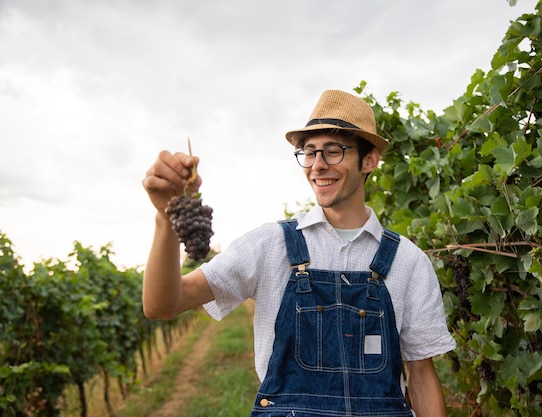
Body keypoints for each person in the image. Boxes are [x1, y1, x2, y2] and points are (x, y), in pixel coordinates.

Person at [142, 89, 456, 417]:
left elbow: (420, 375)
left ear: (369, 160)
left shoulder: (409, 262)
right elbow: (163, 304)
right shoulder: (269, 246)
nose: (317, 166)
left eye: (333, 152)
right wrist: (166, 218)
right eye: (309, 153)